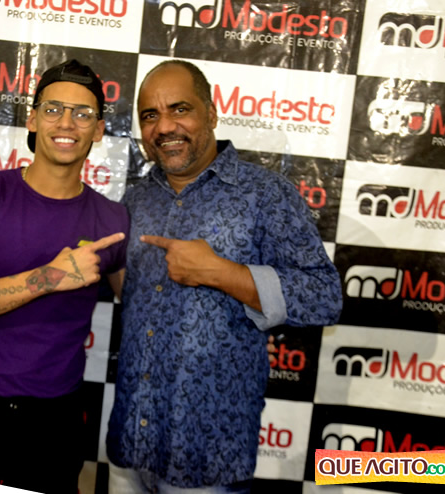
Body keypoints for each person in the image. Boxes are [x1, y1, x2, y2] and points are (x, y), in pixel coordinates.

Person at [106, 60, 343, 493]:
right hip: (130, 443)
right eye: (150, 115)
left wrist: (221, 273)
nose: (165, 126)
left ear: (212, 114)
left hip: (206, 458)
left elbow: (324, 297)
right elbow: (135, 298)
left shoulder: (264, 194)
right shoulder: (135, 199)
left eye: (180, 109)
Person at [0, 59, 128, 494]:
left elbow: (147, 309)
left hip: (54, 422)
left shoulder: (112, 219)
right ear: (32, 119)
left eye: (82, 114)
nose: (66, 123)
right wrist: (49, 277)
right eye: (53, 109)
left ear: (98, 130)